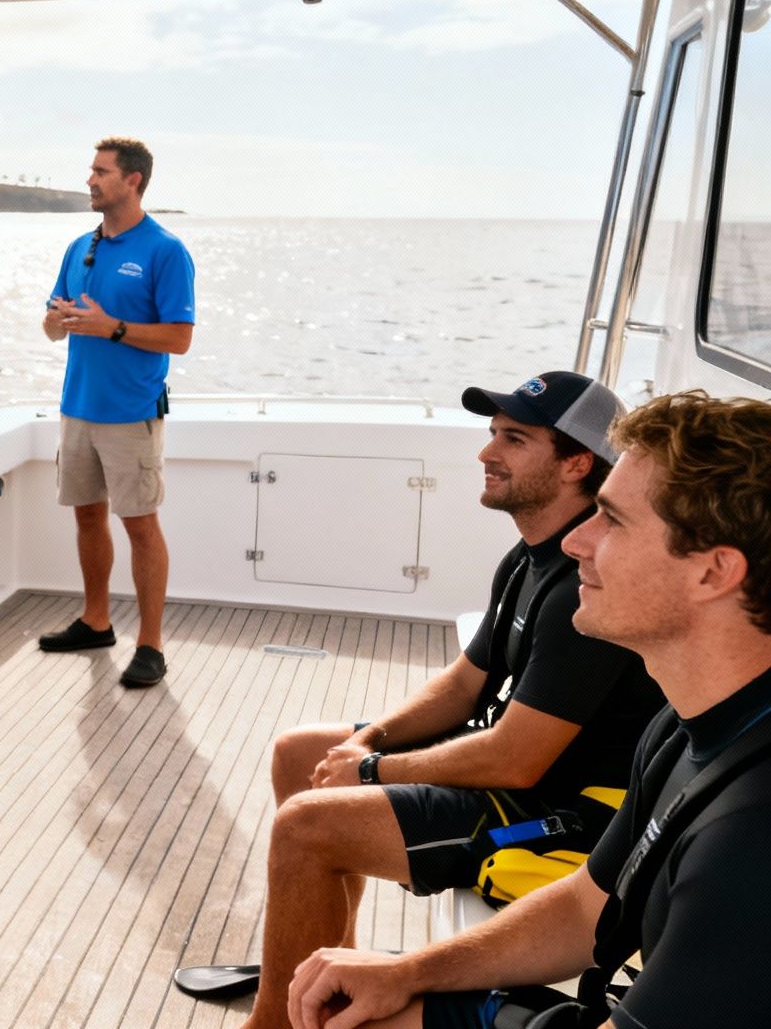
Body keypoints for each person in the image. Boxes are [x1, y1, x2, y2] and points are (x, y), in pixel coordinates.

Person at [286, 391, 771, 1029]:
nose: (579, 541)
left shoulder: (751, 832)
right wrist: (408, 970)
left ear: (713, 574)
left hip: (563, 816)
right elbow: (581, 909)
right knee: (370, 1003)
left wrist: (373, 769)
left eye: (613, 521)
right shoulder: (685, 730)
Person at [217, 371, 665, 1029]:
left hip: (568, 814)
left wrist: (371, 771)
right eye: (492, 435)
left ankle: (276, 1022)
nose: (488, 453)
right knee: (300, 753)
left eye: (514, 439)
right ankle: (322, 975)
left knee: (307, 830)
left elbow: (517, 760)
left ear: (575, 462)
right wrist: (366, 743)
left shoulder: (580, 587)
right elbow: (463, 684)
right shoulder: (531, 554)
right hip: (528, 771)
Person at [36, 136, 196, 688]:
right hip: (77, 408)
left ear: (133, 180)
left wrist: (113, 328)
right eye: (91, 170)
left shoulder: (164, 250)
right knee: (86, 514)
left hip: (131, 413)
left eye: (101, 172)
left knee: (141, 526)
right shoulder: (79, 246)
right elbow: (51, 325)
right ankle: (96, 620)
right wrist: (60, 320)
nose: (90, 180)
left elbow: (180, 337)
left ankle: (151, 646)